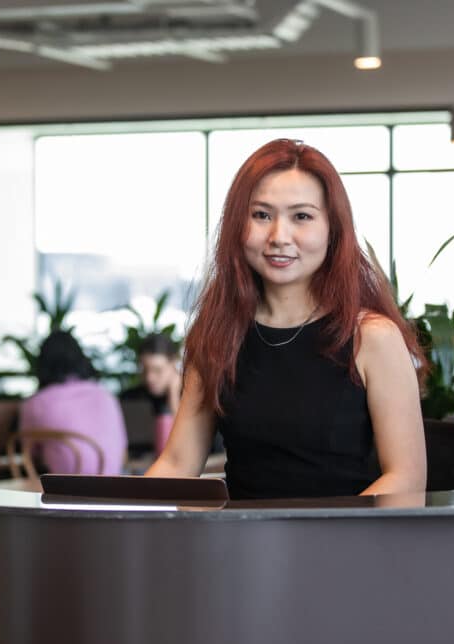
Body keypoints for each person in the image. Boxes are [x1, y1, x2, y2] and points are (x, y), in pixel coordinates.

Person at [147, 138, 428, 499]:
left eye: (302, 216)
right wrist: (119, 519)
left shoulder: (372, 337)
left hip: (343, 545)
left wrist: (321, 539)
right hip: (242, 545)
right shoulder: (219, 334)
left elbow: (407, 478)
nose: (279, 237)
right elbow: (177, 463)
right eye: (261, 215)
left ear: (332, 229)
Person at [19, 330, 127, 475]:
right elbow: (123, 452)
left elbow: (29, 454)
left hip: (64, 490)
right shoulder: (105, 395)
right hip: (112, 487)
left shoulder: (36, 404)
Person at [120, 333, 182, 417]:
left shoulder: (192, 398)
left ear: (174, 363)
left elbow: (188, 430)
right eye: (144, 370)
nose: (149, 378)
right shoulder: (129, 398)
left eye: (157, 370)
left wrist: (173, 396)